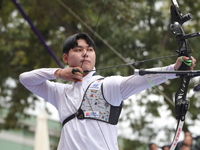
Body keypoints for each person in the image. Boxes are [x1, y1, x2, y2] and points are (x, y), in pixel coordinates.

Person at [19, 32, 196, 150]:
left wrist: (174, 69)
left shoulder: (106, 85)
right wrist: (58, 73)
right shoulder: (60, 93)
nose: (86, 54)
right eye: (78, 49)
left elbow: (142, 80)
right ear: (66, 57)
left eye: (90, 50)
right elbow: (25, 79)